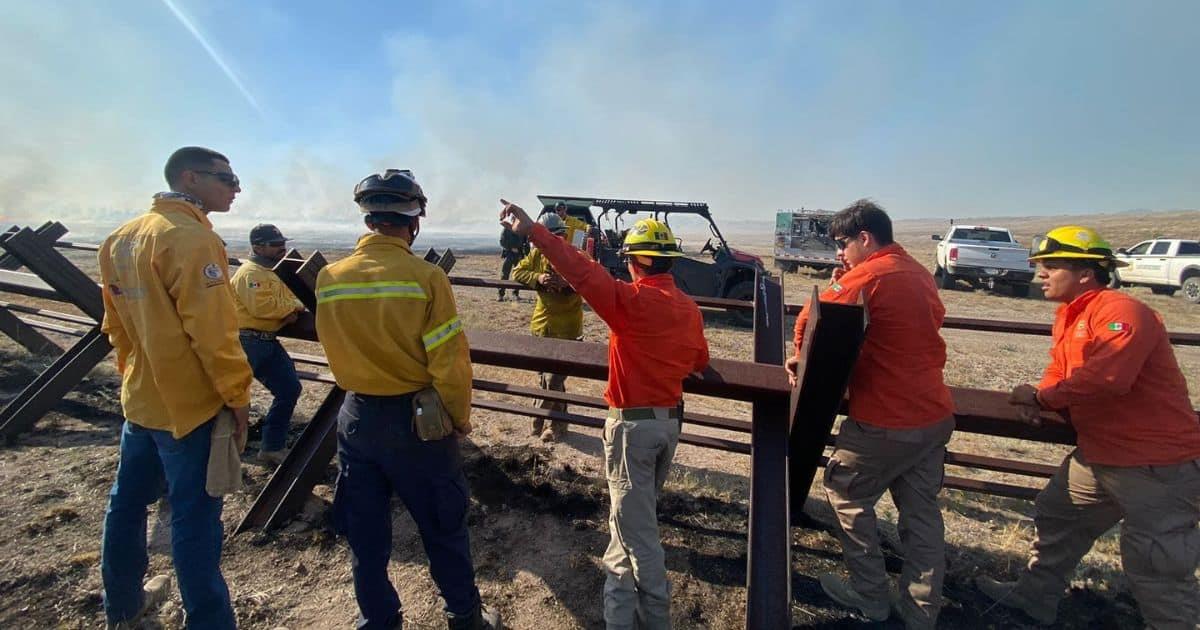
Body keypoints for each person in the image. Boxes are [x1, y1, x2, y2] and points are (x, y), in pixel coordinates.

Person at [500, 199, 709, 630]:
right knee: (625, 529)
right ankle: (619, 619)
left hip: (632, 429)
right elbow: (698, 362)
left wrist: (533, 232)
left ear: (637, 262)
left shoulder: (627, 302)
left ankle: (655, 620)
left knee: (641, 537)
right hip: (669, 424)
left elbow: (579, 271)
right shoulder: (689, 309)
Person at [978, 225, 1200, 629]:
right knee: (1058, 517)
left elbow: (1108, 379)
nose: (1040, 273)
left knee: (1156, 562)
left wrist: (1042, 399)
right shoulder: (1073, 314)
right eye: (1039, 265)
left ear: (1086, 271)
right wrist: (1039, 396)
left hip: (1154, 464)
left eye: (1051, 265)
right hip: (1100, 454)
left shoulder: (1121, 311)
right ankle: (1034, 599)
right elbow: (1063, 373)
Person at [316, 169, 500, 630]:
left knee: (366, 533)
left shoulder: (330, 278)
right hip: (420, 423)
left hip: (356, 417)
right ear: (414, 221)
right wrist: (458, 419)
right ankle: (464, 616)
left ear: (368, 220)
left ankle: (378, 621)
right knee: (443, 526)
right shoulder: (427, 278)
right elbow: (450, 362)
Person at [97, 146, 253, 629]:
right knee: (194, 517)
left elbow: (115, 325)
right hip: (191, 407)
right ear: (190, 177)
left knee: (126, 502)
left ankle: (122, 605)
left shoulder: (120, 238)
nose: (235, 188)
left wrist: (138, 375)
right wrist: (237, 397)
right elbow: (214, 335)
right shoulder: (192, 240)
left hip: (142, 400)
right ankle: (209, 621)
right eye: (227, 178)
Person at [785, 199, 954, 629]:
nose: (839, 253)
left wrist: (795, 354)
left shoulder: (869, 275)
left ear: (866, 238)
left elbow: (813, 318)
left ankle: (871, 597)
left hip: (885, 418)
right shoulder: (919, 273)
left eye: (843, 244)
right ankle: (921, 613)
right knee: (921, 516)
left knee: (846, 492)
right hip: (933, 416)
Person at [229, 223, 305, 466]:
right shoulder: (250, 274)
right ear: (257, 247)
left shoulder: (272, 272)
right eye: (275, 245)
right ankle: (220, 451)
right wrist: (291, 309)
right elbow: (263, 308)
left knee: (289, 388)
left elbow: (290, 299)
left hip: (267, 342)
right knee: (231, 398)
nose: (281, 248)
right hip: (247, 341)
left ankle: (271, 447)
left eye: (283, 243)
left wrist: (290, 307)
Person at [511, 213, 584, 442]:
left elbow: (591, 280)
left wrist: (568, 283)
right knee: (546, 380)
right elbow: (517, 272)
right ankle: (559, 426)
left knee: (554, 381)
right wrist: (538, 278)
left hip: (567, 331)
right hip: (542, 327)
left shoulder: (576, 256)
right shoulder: (536, 255)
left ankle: (537, 420)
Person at [497, 223, 527, 301]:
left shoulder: (522, 229)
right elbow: (502, 241)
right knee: (505, 275)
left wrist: (526, 253)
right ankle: (500, 295)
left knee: (518, 275)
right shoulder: (507, 229)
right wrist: (511, 248)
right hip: (509, 254)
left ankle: (515, 294)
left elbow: (525, 242)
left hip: (519, 255)